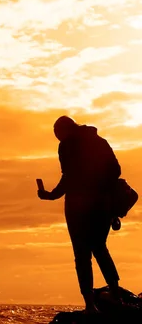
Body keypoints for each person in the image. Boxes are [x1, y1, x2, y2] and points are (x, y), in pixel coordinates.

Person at [38, 116, 122, 313]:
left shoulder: (67, 145)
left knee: (82, 255)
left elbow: (68, 177)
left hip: (78, 207)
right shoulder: (99, 141)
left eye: (58, 135)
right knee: (100, 249)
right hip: (102, 205)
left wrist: (51, 196)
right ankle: (117, 296)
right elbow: (116, 170)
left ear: (65, 130)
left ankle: (90, 305)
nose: (58, 139)